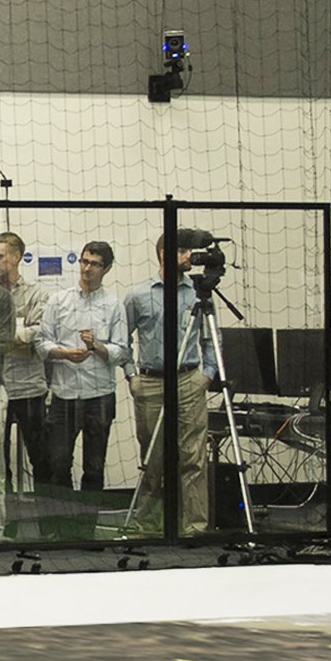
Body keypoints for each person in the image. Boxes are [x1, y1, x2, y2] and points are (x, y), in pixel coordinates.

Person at [122, 230, 224, 538]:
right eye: (183, 252)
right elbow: (122, 338)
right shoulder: (139, 295)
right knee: (152, 458)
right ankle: (148, 526)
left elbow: (211, 336)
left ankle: (194, 527)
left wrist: (207, 374)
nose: (190, 258)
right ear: (165, 253)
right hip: (151, 382)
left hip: (189, 379)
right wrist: (131, 375)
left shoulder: (197, 293)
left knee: (193, 457)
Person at [34, 241, 125, 493]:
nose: (87, 268)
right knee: (58, 462)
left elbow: (122, 351)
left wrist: (98, 346)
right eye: (84, 261)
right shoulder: (58, 301)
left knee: (95, 466)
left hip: (100, 395)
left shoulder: (114, 305)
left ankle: (88, 529)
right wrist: (64, 353)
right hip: (64, 394)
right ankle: (64, 525)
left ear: (106, 268)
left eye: (94, 264)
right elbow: (41, 343)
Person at [0, 232, 54, 496]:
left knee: (41, 456)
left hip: (29, 387)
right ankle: (3, 524)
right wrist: (16, 335)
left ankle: (48, 524)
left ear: (17, 257)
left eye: (1, 255)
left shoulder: (37, 293)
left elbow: (38, 332)